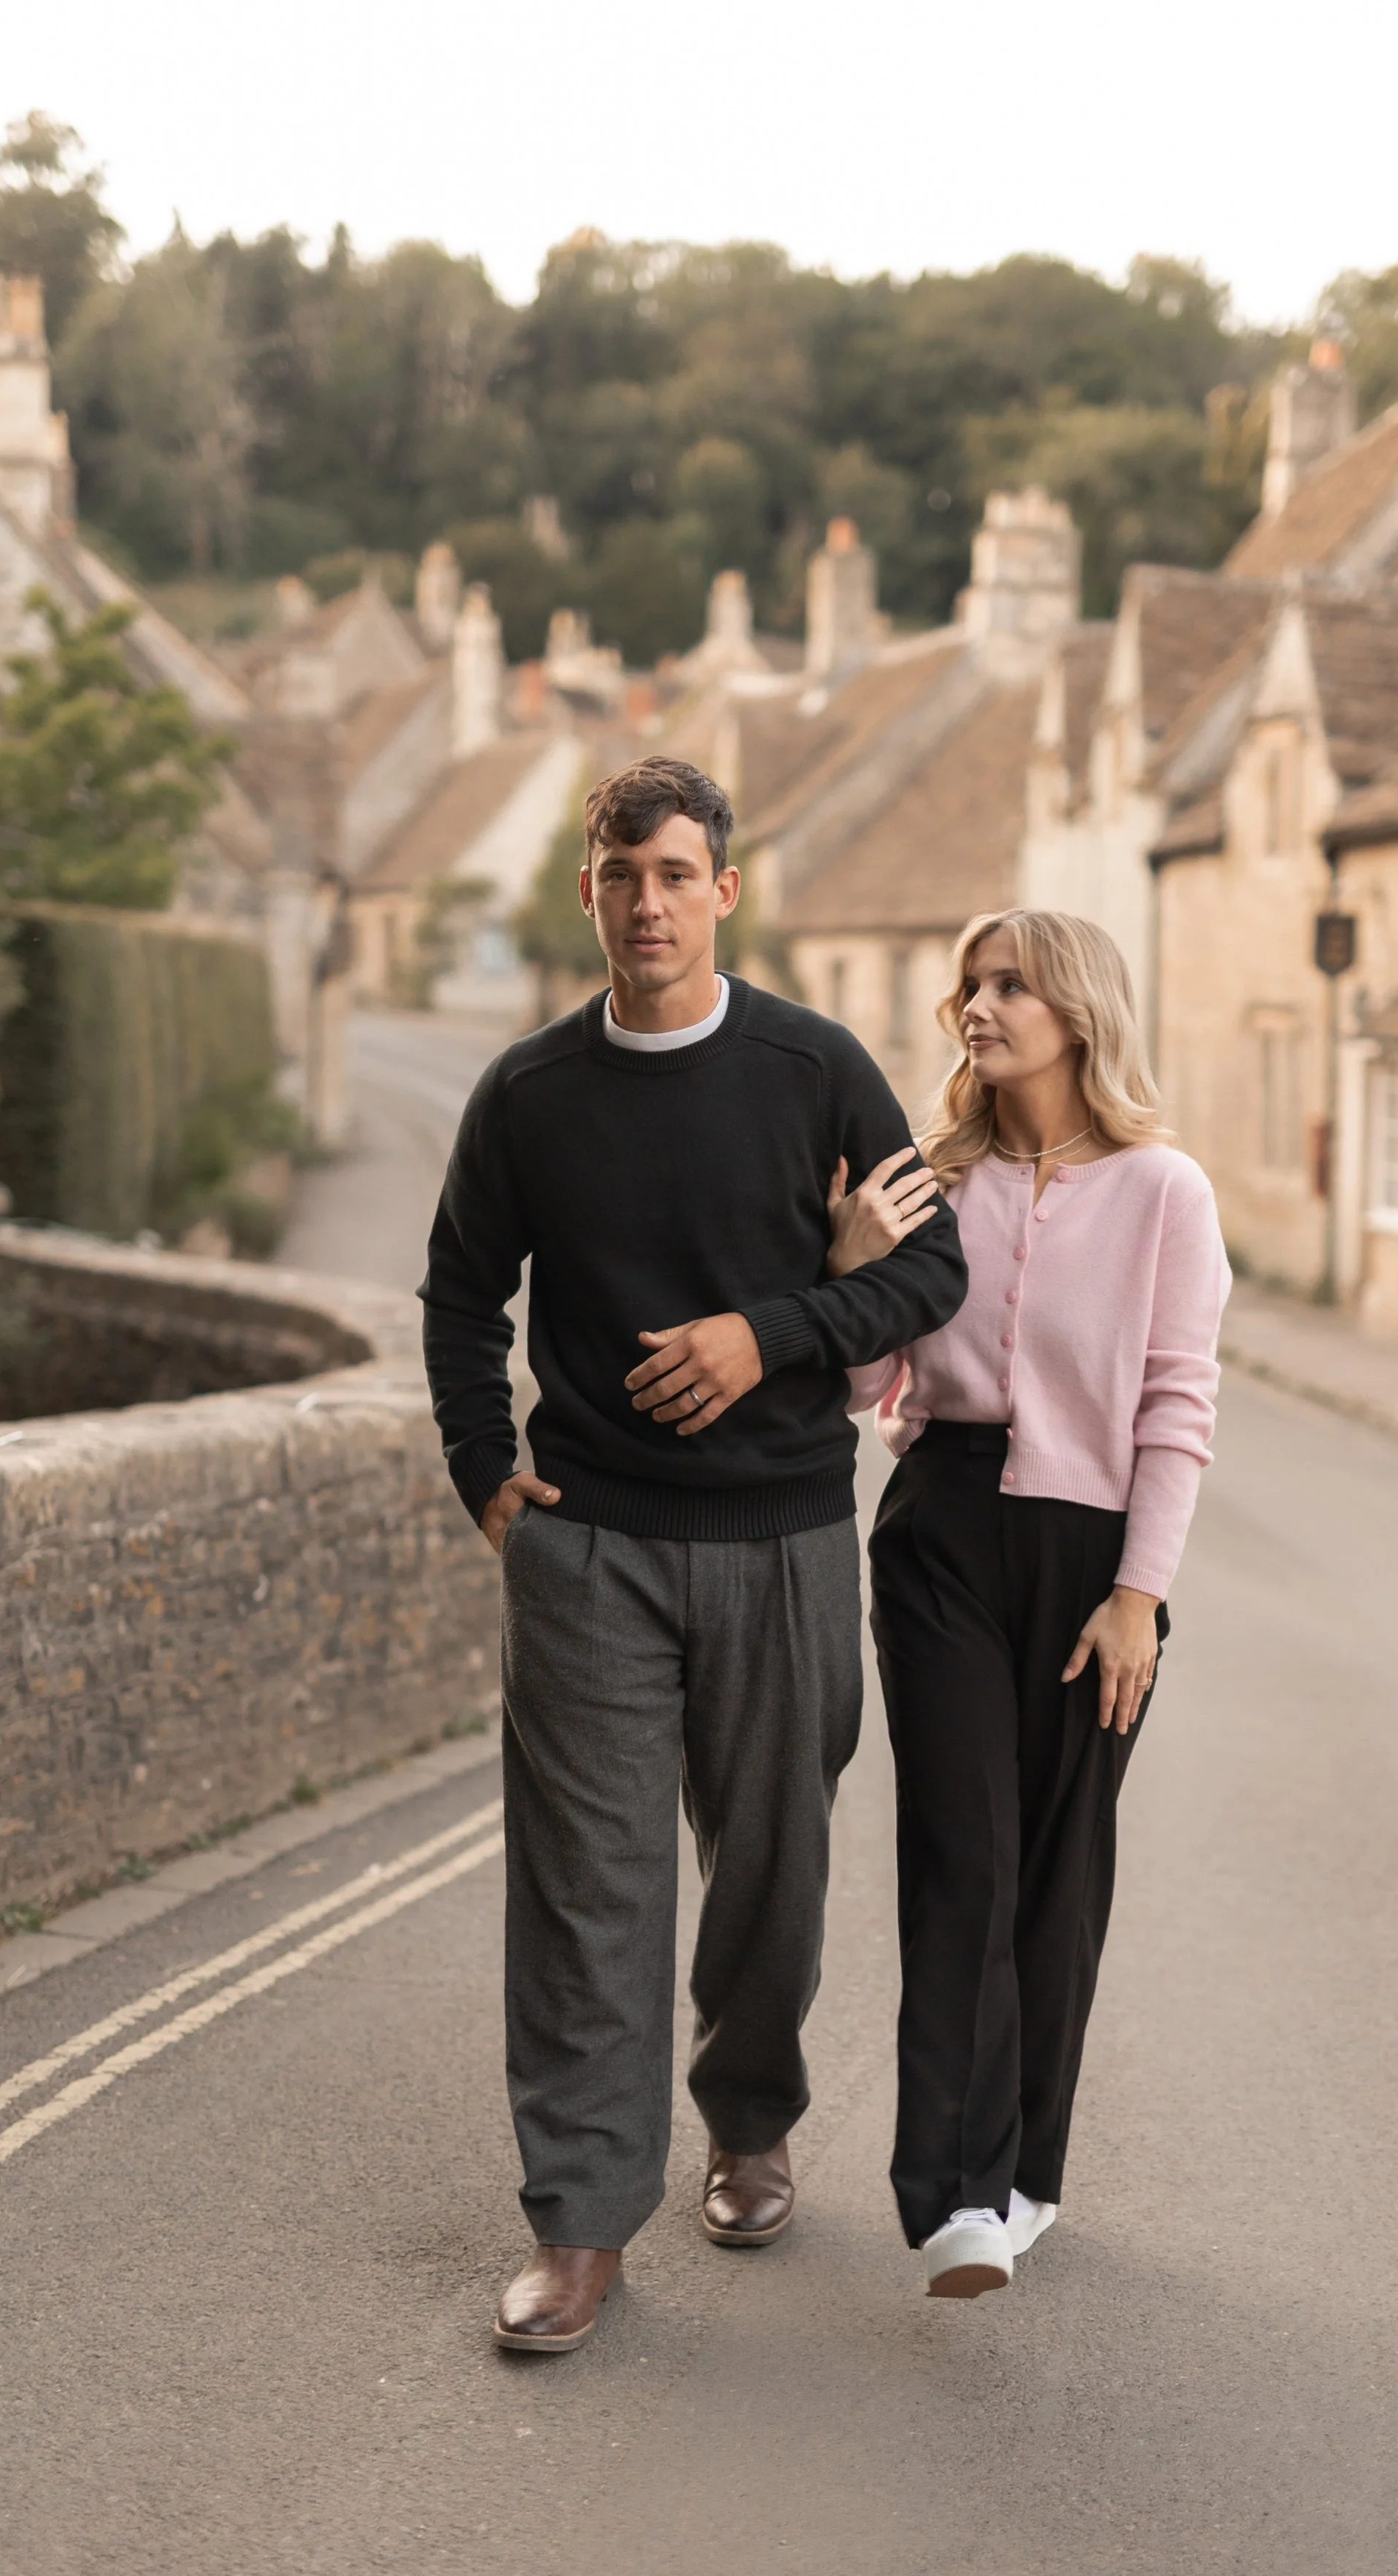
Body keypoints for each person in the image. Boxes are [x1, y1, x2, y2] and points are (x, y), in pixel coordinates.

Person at [419, 756, 967, 2352]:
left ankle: (748, 2112)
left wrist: (765, 1334)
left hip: (783, 1541)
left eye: (673, 873)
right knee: (589, 1896)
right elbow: (462, 1296)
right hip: (589, 1552)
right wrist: (482, 1474)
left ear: (723, 890)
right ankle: (581, 2225)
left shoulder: (819, 1071)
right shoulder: (526, 1093)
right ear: (584, 892)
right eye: (617, 874)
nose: (645, 902)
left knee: (772, 1881)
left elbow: (926, 1271)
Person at [839, 908, 1228, 2299]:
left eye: (1010, 984)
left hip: (1093, 1556)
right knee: (965, 1853)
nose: (978, 1007)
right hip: (940, 1529)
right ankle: (952, 2196)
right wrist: (848, 1269)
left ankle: (1027, 2177)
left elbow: (1178, 1403)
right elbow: (856, 1390)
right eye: (969, 985)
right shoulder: (926, 1181)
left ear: (1077, 1010)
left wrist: (1142, 1595)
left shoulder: (1164, 1191)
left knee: (1059, 1870)